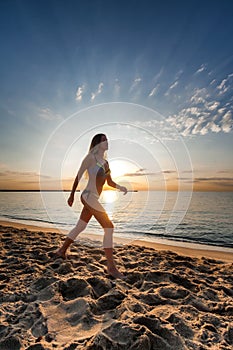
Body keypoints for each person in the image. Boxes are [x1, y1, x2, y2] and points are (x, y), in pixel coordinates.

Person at [56, 133, 128, 279]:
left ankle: (61, 251)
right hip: (87, 196)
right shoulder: (90, 158)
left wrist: (121, 187)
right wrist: (71, 195)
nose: (107, 141)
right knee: (109, 227)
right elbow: (78, 176)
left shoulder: (106, 163)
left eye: (107, 139)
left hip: (93, 198)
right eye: (103, 140)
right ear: (96, 143)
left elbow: (109, 182)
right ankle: (111, 268)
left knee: (80, 226)